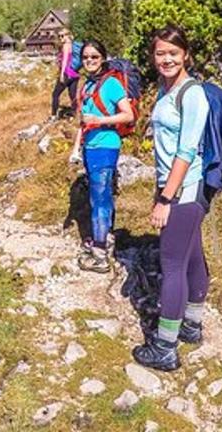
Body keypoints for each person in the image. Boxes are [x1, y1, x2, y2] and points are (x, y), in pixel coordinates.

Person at [133, 24, 210, 372]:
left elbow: (187, 150)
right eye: (160, 53)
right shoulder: (166, 91)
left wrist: (165, 199)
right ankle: (191, 325)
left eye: (173, 53)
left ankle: (165, 346)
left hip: (183, 190)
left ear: (186, 55)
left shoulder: (191, 94)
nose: (166, 59)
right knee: (192, 256)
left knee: (173, 265)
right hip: (177, 187)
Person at [68, 40, 134, 273]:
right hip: (90, 147)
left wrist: (101, 121)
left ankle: (99, 254)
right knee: (101, 196)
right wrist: (76, 148)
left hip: (106, 147)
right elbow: (82, 121)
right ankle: (104, 239)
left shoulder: (112, 84)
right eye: (86, 58)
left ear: (103, 58)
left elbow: (127, 115)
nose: (89, 61)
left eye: (94, 57)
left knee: (100, 198)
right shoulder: (87, 86)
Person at [50, 31, 80, 119]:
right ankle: (75, 114)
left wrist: (62, 74)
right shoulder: (74, 46)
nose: (60, 38)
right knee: (72, 95)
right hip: (74, 74)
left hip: (66, 73)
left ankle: (53, 115)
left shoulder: (66, 46)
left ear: (68, 36)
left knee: (55, 94)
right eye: (59, 36)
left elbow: (65, 61)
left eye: (62, 36)